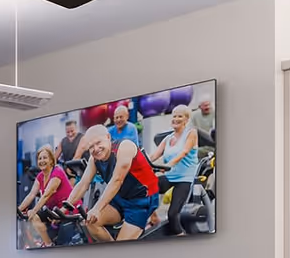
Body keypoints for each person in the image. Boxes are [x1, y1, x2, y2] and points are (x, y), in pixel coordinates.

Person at [68, 123, 160, 242]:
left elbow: (117, 180)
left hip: (141, 200)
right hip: (120, 198)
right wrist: (66, 206)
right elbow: (83, 184)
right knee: (91, 223)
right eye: (91, 147)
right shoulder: (94, 159)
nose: (95, 149)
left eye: (98, 143)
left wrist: (96, 209)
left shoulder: (125, 147)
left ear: (108, 137)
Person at [149, 104, 199, 234]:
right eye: (174, 116)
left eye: (180, 116)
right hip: (171, 176)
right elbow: (154, 155)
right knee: (146, 188)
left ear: (186, 120)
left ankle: (181, 236)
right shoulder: (168, 138)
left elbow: (184, 152)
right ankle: (154, 218)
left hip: (185, 178)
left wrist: (169, 164)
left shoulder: (191, 133)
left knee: (172, 215)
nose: (176, 119)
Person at [17, 145, 75, 248]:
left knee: (33, 213)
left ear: (52, 161)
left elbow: (46, 195)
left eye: (45, 158)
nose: (42, 161)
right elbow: (31, 195)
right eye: (39, 158)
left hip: (68, 209)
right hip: (53, 211)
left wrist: (34, 210)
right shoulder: (40, 176)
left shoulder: (57, 171)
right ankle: (48, 244)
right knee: (33, 216)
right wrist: (18, 211)